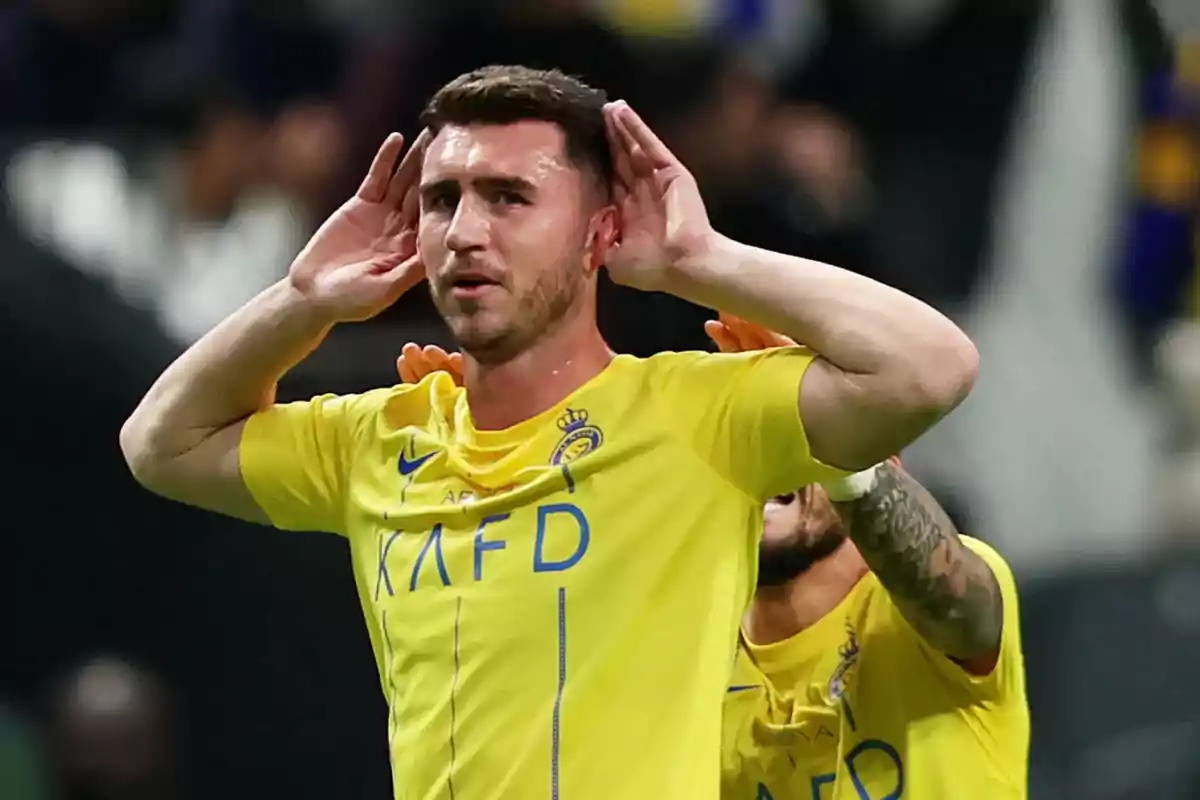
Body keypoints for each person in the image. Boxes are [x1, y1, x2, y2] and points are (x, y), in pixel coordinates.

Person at [119, 65, 979, 800]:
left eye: (509, 198)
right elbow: (160, 444)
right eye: (442, 200)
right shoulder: (381, 436)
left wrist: (704, 261)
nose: (464, 233)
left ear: (598, 233)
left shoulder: (701, 415)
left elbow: (929, 366)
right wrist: (303, 303)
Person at [397, 316, 1029, 800]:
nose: (770, 462)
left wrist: (838, 439)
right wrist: (507, 494)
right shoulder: (680, 649)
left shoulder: (928, 607)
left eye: (790, 441)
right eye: (749, 446)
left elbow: (959, 609)